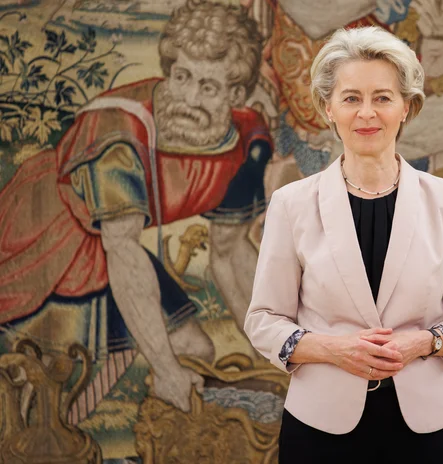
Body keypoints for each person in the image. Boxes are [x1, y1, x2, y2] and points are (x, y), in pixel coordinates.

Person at [245, 26, 443, 464]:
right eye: (351, 97)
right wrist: (333, 350)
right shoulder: (291, 204)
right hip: (320, 430)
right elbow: (263, 321)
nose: (366, 113)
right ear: (328, 109)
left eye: (382, 97)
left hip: (425, 430)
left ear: (407, 107)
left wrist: (423, 342)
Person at [0, 0, 271, 415]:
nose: (188, 97)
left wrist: (277, 349)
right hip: (51, 237)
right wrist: (165, 371)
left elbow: (230, 254)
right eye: (181, 76)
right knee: (164, 355)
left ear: (235, 95)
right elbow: (121, 249)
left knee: (198, 349)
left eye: (208, 86)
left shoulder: (244, 140)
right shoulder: (118, 133)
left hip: (109, 242)